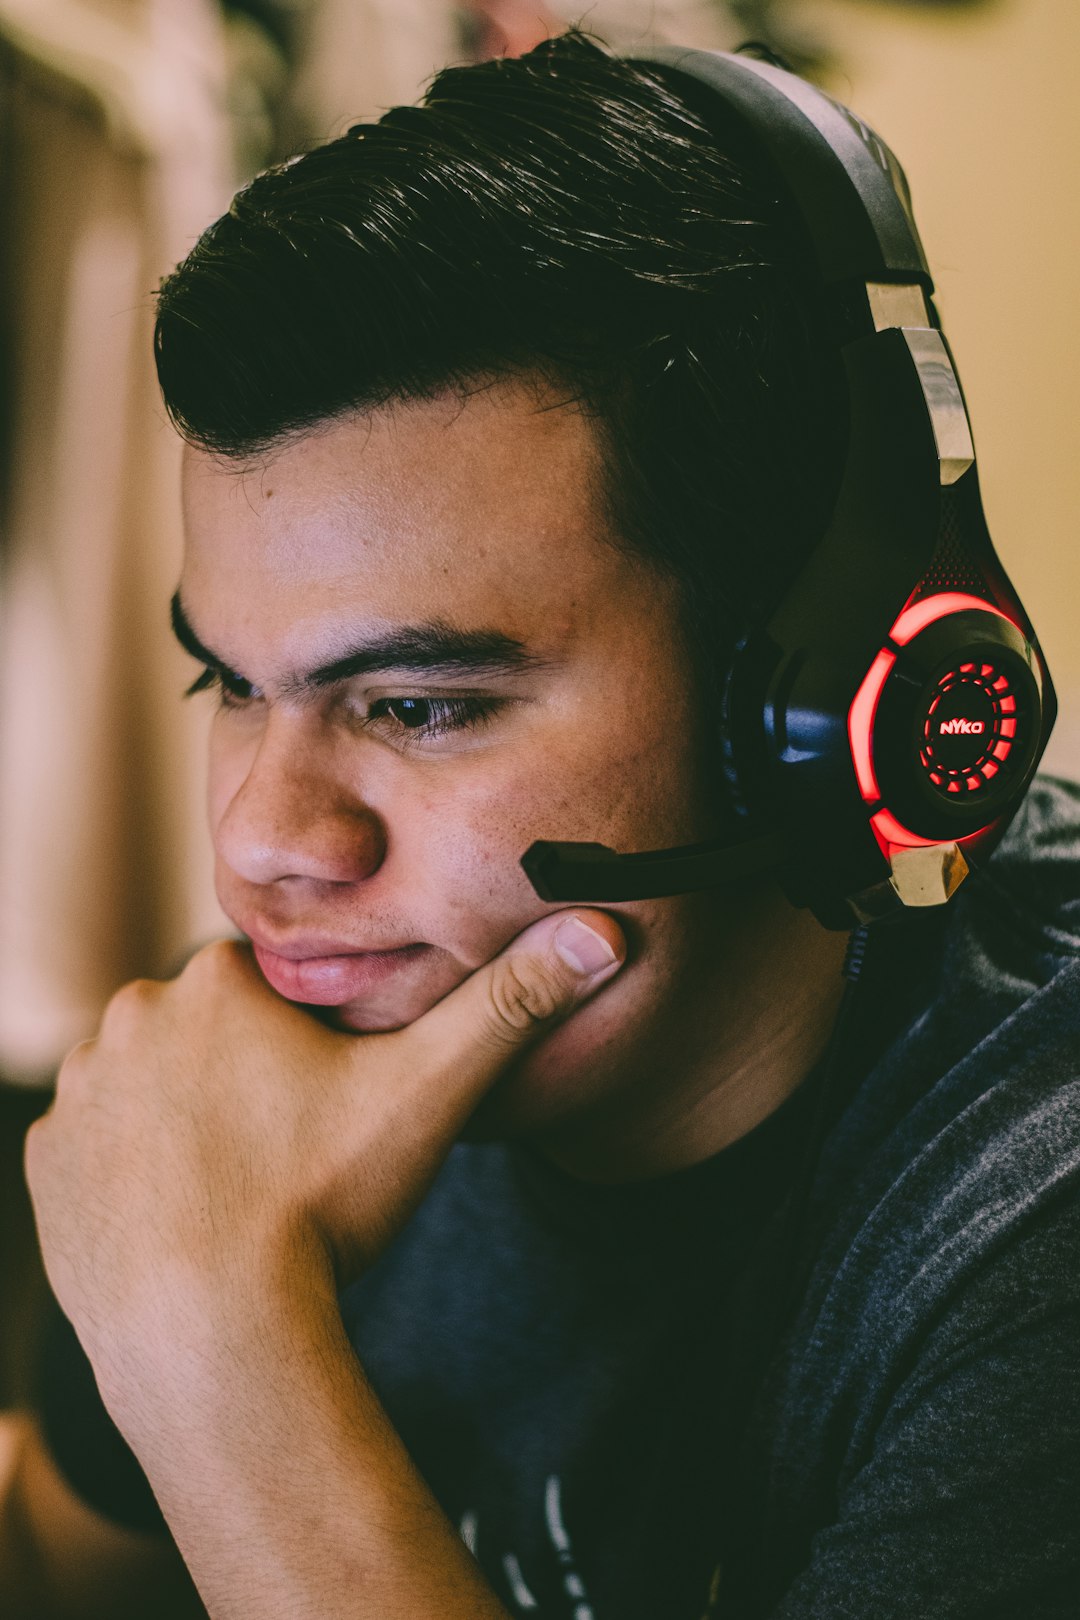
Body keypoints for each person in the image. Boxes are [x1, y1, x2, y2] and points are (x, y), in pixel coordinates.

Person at [4, 31, 1079, 1620]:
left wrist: (217, 1356)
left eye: (419, 706)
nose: (266, 843)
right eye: (227, 681)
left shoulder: (1026, 1226)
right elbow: (59, 1557)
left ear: (816, 707)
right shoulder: (325, 1037)